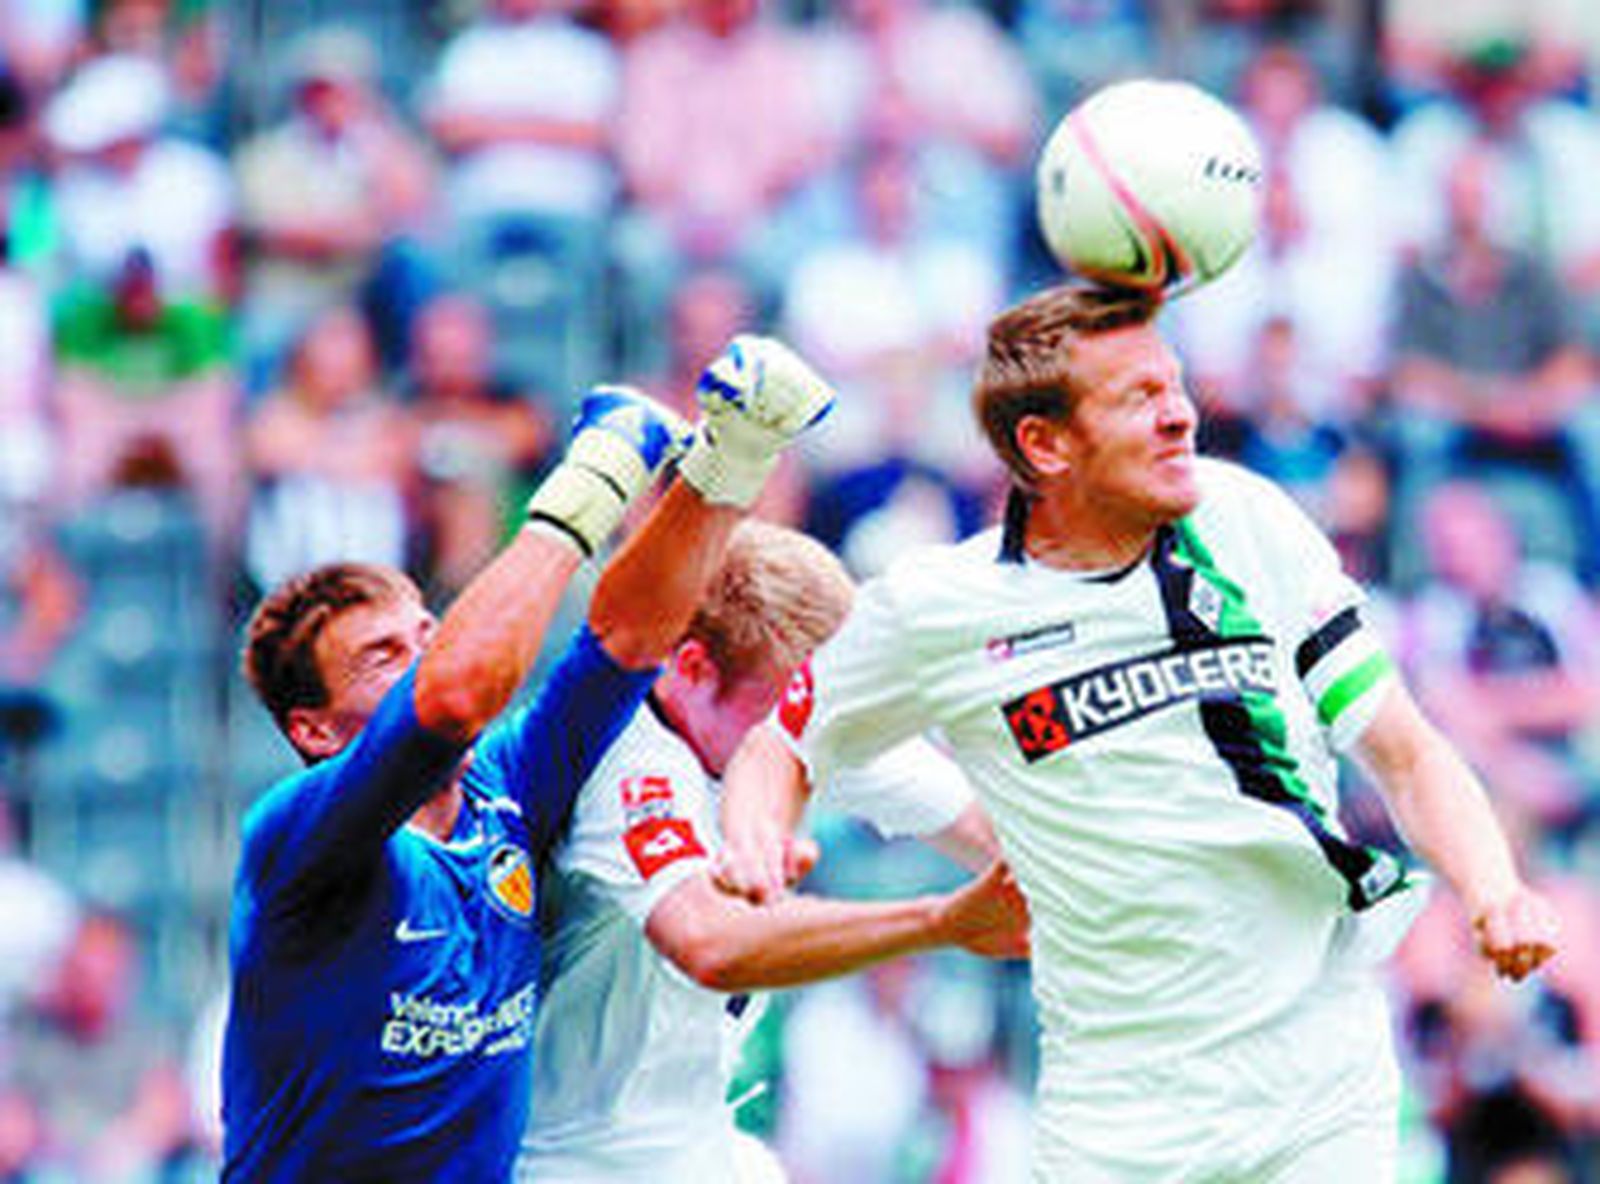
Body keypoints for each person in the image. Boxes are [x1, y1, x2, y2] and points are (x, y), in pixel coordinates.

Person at [718, 283, 1561, 1180]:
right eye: (1139, 398)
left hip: (1319, 1087)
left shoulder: (1247, 521)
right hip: (1120, 1119)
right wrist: (756, 838)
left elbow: (1406, 752)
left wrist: (1492, 887)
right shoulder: (939, 607)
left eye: (1178, 386)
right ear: (1045, 445)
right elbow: (783, 742)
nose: (1180, 417)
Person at [220, 334, 836, 1181]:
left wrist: (733, 460)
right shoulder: (302, 837)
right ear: (315, 732)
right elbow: (451, 699)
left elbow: (628, 640)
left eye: (426, 633)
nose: (421, 658)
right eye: (381, 657)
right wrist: (596, 475)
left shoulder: (505, 790)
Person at [518, 519, 1026, 1182]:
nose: (802, 732)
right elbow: (710, 943)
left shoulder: (802, 723)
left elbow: (1004, 838)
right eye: (784, 708)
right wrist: (943, 922)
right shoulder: (628, 764)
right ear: (693, 669)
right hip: (578, 1166)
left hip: (706, 1144)